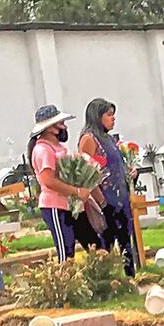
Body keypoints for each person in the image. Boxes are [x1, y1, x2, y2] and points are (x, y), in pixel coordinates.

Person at [77, 98, 136, 275]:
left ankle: (130, 277)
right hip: (105, 198)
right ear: (97, 117)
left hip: (119, 196)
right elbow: (86, 173)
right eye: (109, 115)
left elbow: (115, 165)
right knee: (106, 243)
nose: (113, 118)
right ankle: (106, 280)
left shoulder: (109, 138)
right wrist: (101, 201)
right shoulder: (89, 139)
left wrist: (130, 172)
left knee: (126, 240)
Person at [28, 105, 94, 262]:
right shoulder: (43, 149)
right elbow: (48, 180)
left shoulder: (60, 147)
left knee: (93, 243)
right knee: (66, 249)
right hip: (55, 205)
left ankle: (99, 276)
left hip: (71, 204)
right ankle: (65, 283)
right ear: (51, 128)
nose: (64, 126)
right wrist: (76, 191)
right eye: (61, 122)